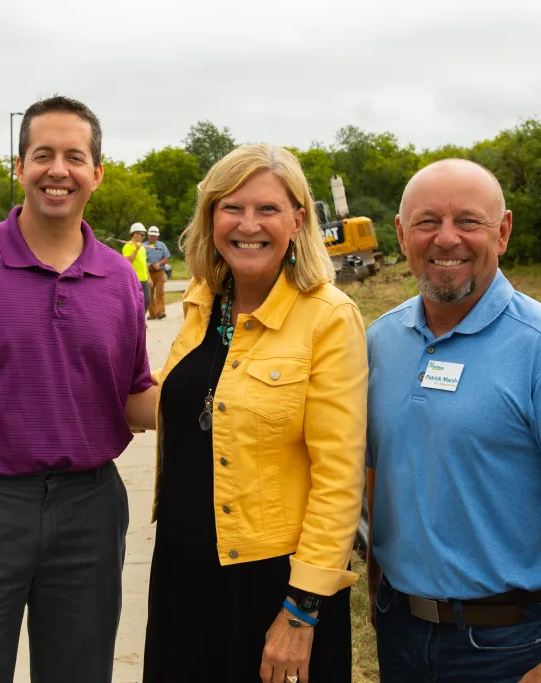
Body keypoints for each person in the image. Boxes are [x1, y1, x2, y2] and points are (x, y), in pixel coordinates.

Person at [0, 95, 157, 683]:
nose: (57, 170)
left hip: (89, 510)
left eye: (75, 156)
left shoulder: (120, 276)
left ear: (97, 172)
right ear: (18, 168)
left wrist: (214, 396)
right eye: (42, 155)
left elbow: (130, 396)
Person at [366, 158, 541, 683]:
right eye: (428, 222)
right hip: (400, 631)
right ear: (401, 233)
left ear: (502, 231)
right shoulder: (379, 344)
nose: (447, 239)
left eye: (469, 222)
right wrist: (377, 591)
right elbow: (377, 474)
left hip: (511, 644)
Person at [141, 143, 367, 683]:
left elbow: (339, 479)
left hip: (272, 585)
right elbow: (187, 401)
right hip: (181, 571)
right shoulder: (203, 299)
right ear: (210, 218)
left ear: (298, 219)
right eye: (231, 208)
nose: (249, 224)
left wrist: (301, 610)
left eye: (267, 209)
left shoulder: (328, 318)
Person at [143, 226, 171, 319]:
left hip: (160, 272)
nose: (153, 237)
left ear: (157, 236)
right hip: (148, 272)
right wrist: (146, 263)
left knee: (160, 293)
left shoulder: (162, 245)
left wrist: (159, 263)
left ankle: (160, 312)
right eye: (151, 235)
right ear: (148, 235)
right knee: (149, 294)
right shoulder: (143, 245)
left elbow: (167, 257)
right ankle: (152, 314)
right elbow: (141, 258)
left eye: (154, 236)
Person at [123, 222, 150, 314]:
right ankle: (138, 321)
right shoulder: (127, 246)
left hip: (144, 278)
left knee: (147, 300)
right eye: (142, 235)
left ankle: (141, 319)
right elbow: (128, 261)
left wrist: (149, 277)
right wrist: (136, 249)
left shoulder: (142, 247)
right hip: (135, 278)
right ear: (135, 234)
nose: (144, 237)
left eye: (144, 235)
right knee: (137, 303)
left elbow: (144, 263)